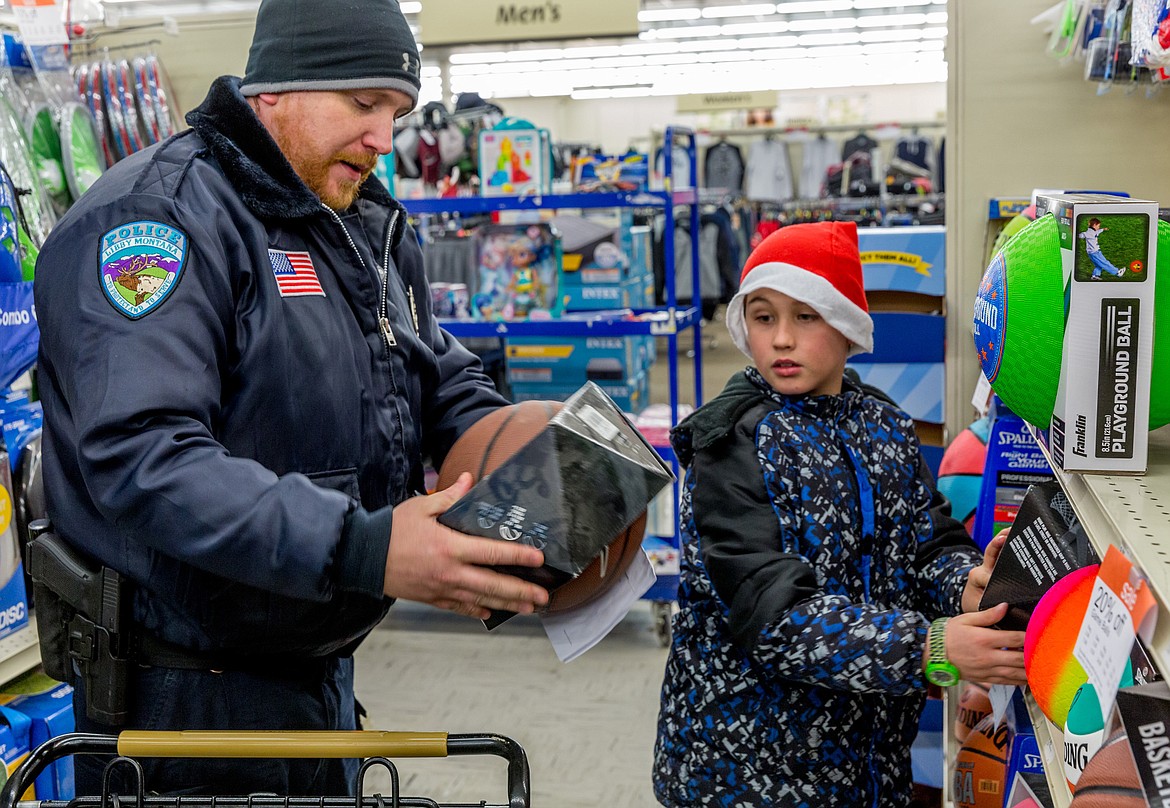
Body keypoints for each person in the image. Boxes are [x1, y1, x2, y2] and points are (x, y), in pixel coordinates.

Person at [33, 0, 549, 796]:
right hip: (182, 706)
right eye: (364, 103)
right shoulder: (158, 220)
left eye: (398, 112)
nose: (386, 138)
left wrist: (510, 451)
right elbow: (144, 455)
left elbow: (429, 366)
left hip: (313, 677)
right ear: (277, 86)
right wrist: (364, 548)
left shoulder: (354, 222)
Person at [652, 221, 1028, 807]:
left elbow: (926, 543)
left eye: (807, 316)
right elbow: (774, 616)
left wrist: (969, 588)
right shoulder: (729, 443)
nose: (780, 339)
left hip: (867, 765)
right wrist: (929, 649)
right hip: (744, 775)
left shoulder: (883, 424)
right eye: (762, 315)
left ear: (848, 324)